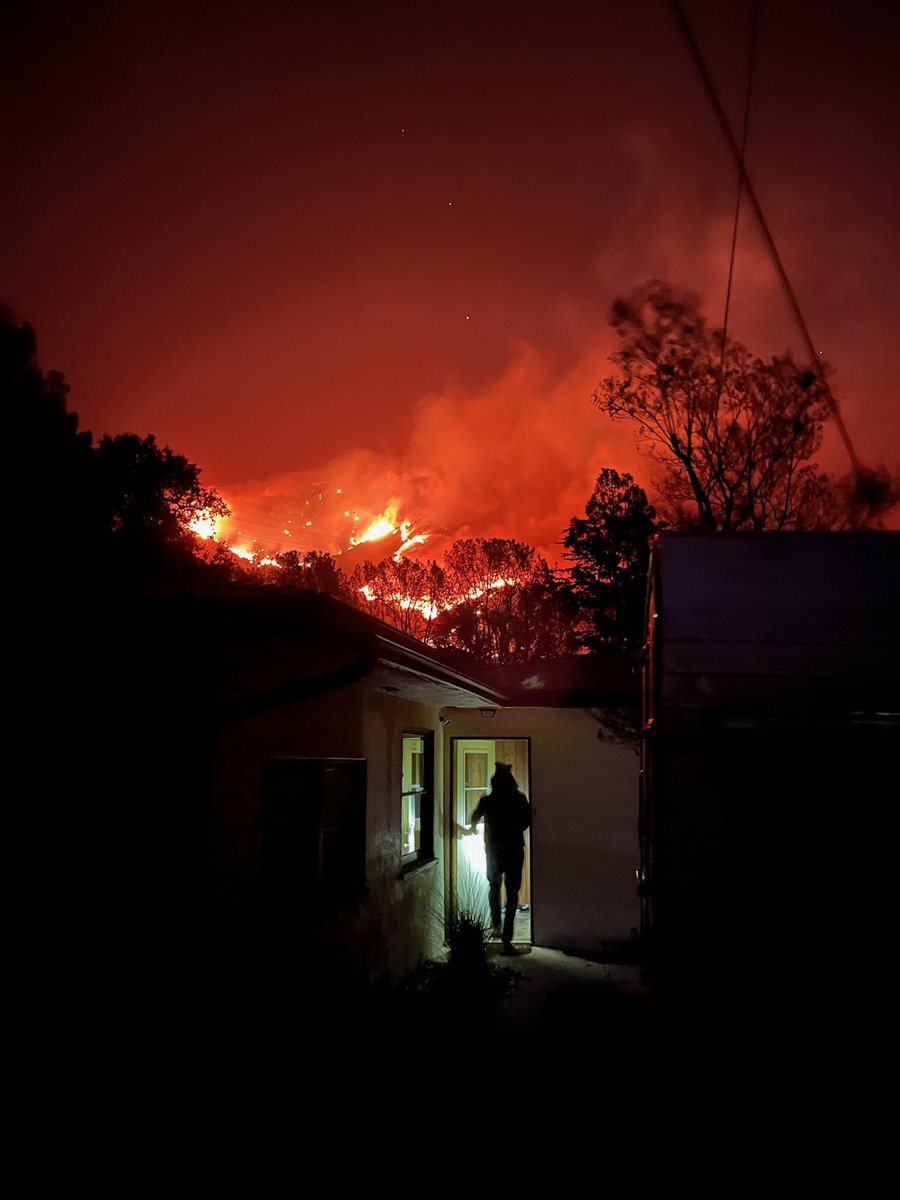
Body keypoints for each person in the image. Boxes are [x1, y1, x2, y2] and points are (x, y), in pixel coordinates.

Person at [468, 763, 531, 954]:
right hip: (513, 849)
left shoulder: (488, 800)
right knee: (512, 893)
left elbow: (473, 819)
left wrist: (474, 829)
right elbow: (527, 822)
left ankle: (496, 925)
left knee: (493, 887)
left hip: (493, 850)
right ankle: (507, 940)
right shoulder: (519, 798)